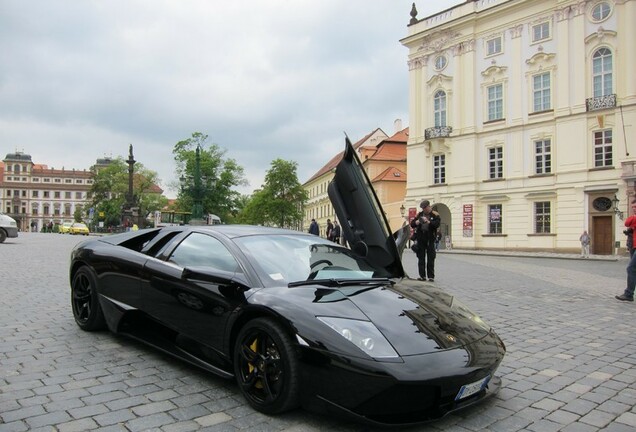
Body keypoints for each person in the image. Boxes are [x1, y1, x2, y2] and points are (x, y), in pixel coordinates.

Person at [410, 200, 441, 282]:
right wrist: (416, 222)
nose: (424, 210)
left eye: (425, 208)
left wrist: (428, 222)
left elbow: (437, 224)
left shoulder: (435, 215)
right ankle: (422, 276)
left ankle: (431, 276)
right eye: (423, 208)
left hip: (430, 239)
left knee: (431, 258)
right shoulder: (419, 214)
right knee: (421, 258)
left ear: (429, 206)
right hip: (421, 238)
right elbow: (412, 224)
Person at [616, 203, 636, 302]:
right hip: (634, 245)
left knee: (631, 268)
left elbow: (627, 222)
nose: (634, 209)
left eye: (635, 207)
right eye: (633, 207)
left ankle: (629, 294)